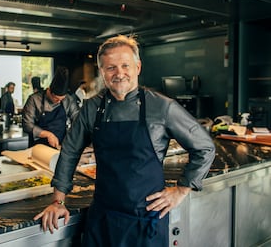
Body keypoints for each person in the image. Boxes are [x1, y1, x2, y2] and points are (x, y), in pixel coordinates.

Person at [33, 35, 215, 246]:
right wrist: (58, 201)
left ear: (138, 67)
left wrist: (182, 190)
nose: (119, 73)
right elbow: (70, 152)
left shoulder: (162, 106)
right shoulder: (92, 107)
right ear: (102, 72)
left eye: (125, 65)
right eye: (111, 68)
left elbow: (204, 147)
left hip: (145, 221)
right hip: (102, 219)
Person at [22, 67, 79, 149]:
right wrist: (48, 134)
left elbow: (77, 119)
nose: (59, 102)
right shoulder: (34, 99)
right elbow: (27, 125)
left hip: (60, 145)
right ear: (49, 91)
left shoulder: (68, 100)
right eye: (56, 99)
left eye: (62, 99)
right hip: (38, 147)